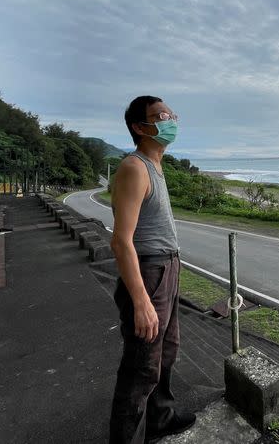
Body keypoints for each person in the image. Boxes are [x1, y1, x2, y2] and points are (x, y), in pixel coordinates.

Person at [108, 96, 195, 443]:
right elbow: (121, 241)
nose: (171, 118)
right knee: (141, 367)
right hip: (149, 273)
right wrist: (141, 301)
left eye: (171, 113)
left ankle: (161, 417)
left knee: (167, 351)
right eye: (161, 115)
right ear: (139, 127)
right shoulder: (135, 167)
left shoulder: (156, 165)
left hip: (168, 269)